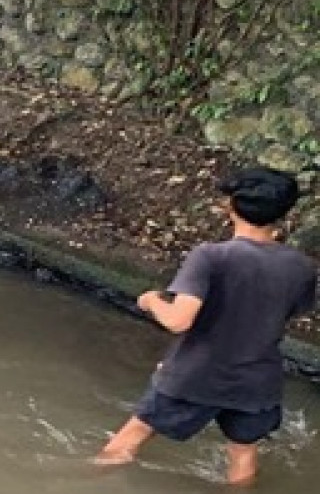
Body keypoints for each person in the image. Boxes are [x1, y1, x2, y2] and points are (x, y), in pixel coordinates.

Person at [95, 166, 317, 485]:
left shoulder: (212, 257)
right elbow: (281, 314)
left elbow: (178, 320)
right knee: (242, 458)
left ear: (232, 206)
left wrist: (150, 301)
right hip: (256, 381)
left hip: (196, 375)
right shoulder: (301, 266)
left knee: (129, 439)